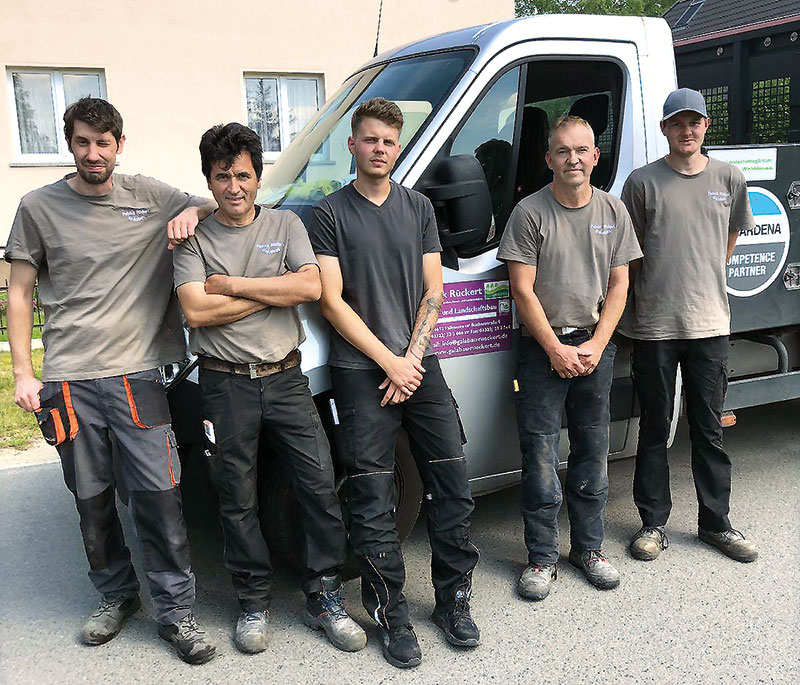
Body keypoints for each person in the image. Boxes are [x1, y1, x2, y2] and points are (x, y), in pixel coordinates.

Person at [6, 98, 217, 664]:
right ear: (69, 145)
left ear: (119, 145)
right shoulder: (37, 207)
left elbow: (223, 204)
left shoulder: (149, 195)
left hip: (138, 376)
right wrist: (24, 372)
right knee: (93, 499)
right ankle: (116, 595)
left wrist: (192, 214)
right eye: (82, 142)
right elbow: (20, 291)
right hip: (69, 380)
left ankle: (177, 613)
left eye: (103, 143)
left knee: (159, 497)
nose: (93, 154)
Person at [171, 122, 366, 655]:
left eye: (243, 175)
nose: (234, 187)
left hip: (285, 378)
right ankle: (252, 602)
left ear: (258, 178)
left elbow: (310, 285)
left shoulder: (286, 223)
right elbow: (194, 309)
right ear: (208, 182)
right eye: (222, 177)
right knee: (236, 498)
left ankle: (325, 596)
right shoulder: (193, 238)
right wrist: (273, 293)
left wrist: (233, 286)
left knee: (319, 484)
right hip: (225, 385)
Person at [307, 97, 480, 669]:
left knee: (452, 480)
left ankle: (453, 599)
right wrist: (390, 362)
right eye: (370, 139)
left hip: (418, 365)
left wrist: (411, 359)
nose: (379, 149)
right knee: (373, 497)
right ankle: (389, 610)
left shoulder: (419, 207)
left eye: (388, 140)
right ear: (352, 146)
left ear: (397, 147)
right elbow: (332, 300)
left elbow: (434, 288)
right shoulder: (328, 213)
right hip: (362, 372)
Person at [498, 115, 642, 600]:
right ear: (549, 159)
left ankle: (589, 549)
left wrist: (598, 345)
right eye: (563, 151)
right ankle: (541, 557)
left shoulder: (614, 211)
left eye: (582, 150)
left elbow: (621, 283)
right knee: (539, 455)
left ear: (595, 157)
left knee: (592, 450)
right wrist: (554, 348)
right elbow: (522, 289)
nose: (573, 159)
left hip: (595, 345)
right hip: (543, 350)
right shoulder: (530, 213)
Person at [620, 88, 758, 564]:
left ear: (706, 126)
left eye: (695, 122)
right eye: (678, 123)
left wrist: (704, 276)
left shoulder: (729, 178)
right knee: (655, 428)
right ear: (664, 129)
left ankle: (716, 524)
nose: (687, 130)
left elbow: (732, 233)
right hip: (654, 326)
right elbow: (628, 253)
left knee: (709, 430)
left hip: (709, 324)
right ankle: (653, 523)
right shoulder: (642, 183)